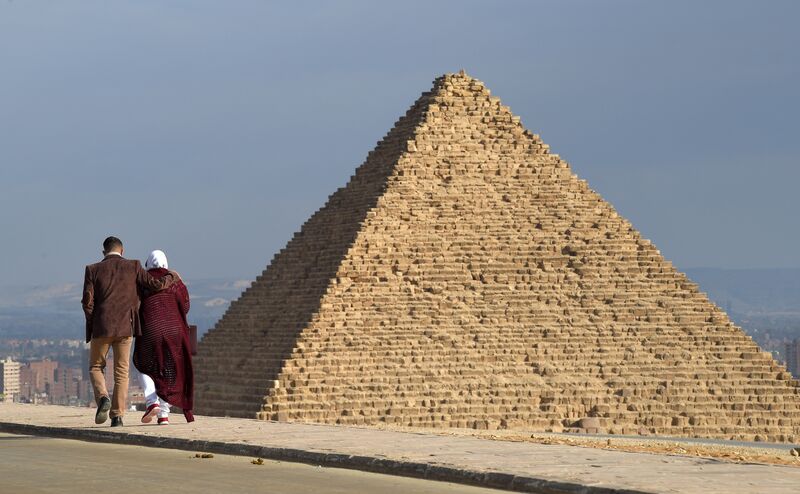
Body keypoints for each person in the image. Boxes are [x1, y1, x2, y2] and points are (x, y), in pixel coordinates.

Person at [82, 236, 177, 427]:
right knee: (122, 372)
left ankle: (102, 398)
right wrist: (171, 276)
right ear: (122, 251)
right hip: (126, 327)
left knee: (95, 367)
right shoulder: (134, 266)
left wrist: (93, 322)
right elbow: (155, 285)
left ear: (103, 252)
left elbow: (87, 302)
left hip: (101, 327)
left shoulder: (92, 269)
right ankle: (117, 416)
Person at [133, 250, 195, 424]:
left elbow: (134, 305)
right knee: (170, 371)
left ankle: (152, 402)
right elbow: (186, 306)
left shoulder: (142, 281)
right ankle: (164, 414)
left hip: (150, 330)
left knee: (143, 365)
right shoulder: (175, 281)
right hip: (174, 331)